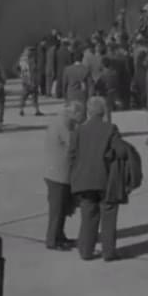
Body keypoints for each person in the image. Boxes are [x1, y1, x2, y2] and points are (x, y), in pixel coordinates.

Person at [69, 97, 129, 261]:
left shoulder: (79, 130)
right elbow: (121, 151)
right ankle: (108, 252)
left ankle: (86, 251)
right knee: (109, 214)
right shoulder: (110, 128)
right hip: (105, 179)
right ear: (103, 112)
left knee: (88, 216)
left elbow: (72, 155)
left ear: (88, 111)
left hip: (84, 180)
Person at [44, 101, 85, 251]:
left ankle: (60, 236)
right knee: (57, 210)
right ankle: (53, 240)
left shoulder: (61, 121)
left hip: (57, 173)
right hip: (58, 174)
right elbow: (73, 144)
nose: (83, 118)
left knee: (61, 209)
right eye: (81, 115)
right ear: (74, 113)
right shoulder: (63, 125)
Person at [16, 46, 43, 117]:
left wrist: (20, 75)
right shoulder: (26, 60)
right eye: (30, 51)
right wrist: (21, 75)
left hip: (29, 80)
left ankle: (34, 110)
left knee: (29, 96)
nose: (32, 52)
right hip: (29, 80)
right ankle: (25, 110)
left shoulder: (23, 59)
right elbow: (16, 68)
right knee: (28, 96)